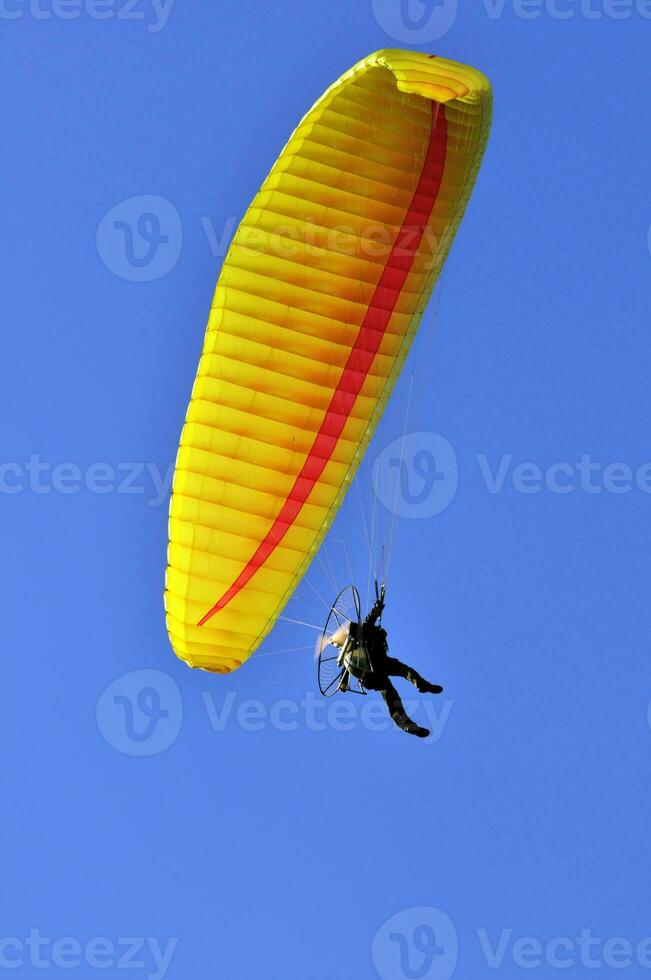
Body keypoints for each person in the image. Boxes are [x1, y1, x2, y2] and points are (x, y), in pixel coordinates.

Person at [338, 586, 443, 738]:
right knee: (403, 671)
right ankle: (422, 686)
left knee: (390, 693)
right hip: (376, 663)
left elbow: (348, 667)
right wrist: (376, 610)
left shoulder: (356, 650)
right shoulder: (366, 635)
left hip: (370, 674)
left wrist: (343, 683)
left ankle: (406, 722)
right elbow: (368, 623)